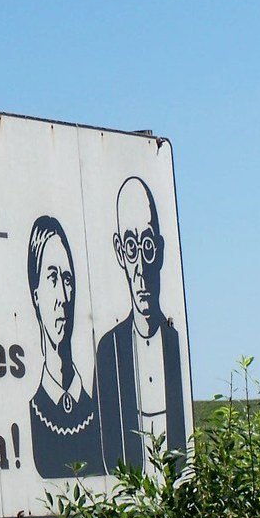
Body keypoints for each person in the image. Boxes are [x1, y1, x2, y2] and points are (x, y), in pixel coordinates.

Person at [96, 177, 186, 474]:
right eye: (132, 247)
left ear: (159, 251)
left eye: (147, 246)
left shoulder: (176, 344)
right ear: (120, 252)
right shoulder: (109, 351)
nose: (141, 269)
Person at [26, 215, 103, 478]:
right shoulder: (32, 416)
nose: (63, 296)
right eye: (52, 278)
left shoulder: (99, 417)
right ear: (35, 295)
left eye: (67, 279)